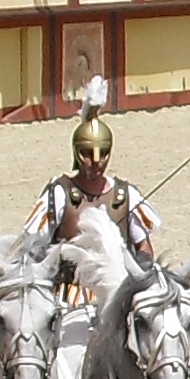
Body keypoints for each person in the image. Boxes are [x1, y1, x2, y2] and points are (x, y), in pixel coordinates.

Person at [30, 79, 160, 258]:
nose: (96, 161)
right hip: (69, 285)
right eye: (87, 153)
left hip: (115, 284)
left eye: (102, 153)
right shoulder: (60, 194)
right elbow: (34, 246)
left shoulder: (125, 196)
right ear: (77, 152)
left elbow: (143, 246)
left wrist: (142, 266)